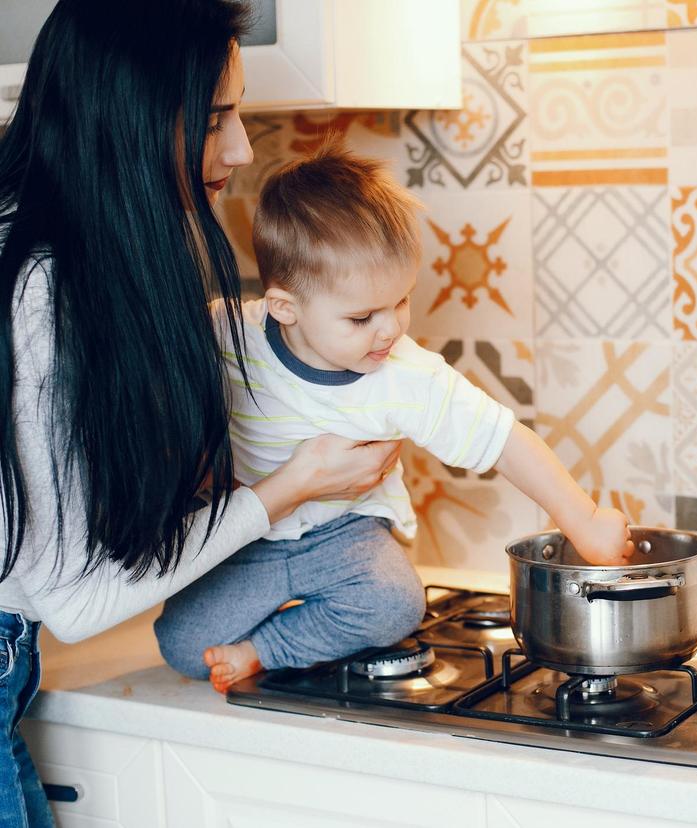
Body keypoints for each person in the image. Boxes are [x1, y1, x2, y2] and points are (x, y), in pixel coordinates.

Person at [0, 3, 400, 825]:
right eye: (218, 116)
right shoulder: (45, 291)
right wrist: (291, 487)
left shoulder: (49, 250)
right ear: (132, 112)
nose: (244, 147)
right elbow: (69, 600)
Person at [154, 143, 635, 694]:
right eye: (361, 317)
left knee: (394, 604)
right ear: (285, 308)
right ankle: (272, 630)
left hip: (346, 534)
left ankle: (266, 648)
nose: (390, 331)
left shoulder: (408, 375)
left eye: (401, 301)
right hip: (246, 534)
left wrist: (585, 520)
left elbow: (505, 440)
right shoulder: (227, 333)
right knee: (183, 646)